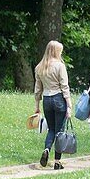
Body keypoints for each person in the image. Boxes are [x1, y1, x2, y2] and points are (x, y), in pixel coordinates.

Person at [33, 40, 72, 170]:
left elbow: (38, 88)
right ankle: (57, 161)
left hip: (47, 100)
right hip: (59, 98)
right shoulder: (59, 66)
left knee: (51, 129)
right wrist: (69, 105)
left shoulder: (39, 67)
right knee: (60, 131)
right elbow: (64, 86)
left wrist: (37, 106)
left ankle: (46, 149)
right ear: (56, 51)